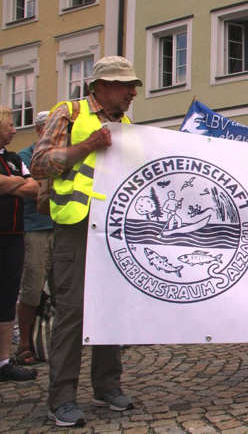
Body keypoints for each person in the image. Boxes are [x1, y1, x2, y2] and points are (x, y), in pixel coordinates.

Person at [31, 56, 141, 427]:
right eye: (126, 85)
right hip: (76, 226)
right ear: (102, 86)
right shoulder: (70, 112)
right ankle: (61, 397)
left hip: (113, 230)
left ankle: (106, 385)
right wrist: (88, 146)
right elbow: (40, 163)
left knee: (111, 308)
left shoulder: (126, 124)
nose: (132, 92)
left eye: (133, 85)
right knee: (73, 312)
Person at [0, 106, 39, 382]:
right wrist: (18, 184)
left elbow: (34, 188)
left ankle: (3, 361)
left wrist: (7, 183)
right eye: (9, 124)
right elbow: (23, 186)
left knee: (6, 299)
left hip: (13, 236)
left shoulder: (14, 158)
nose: (15, 129)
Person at [14, 111, 54, 366]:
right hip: (35, 230)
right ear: (40, 131)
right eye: (52, 128)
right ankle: (24, 344)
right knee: (31, 289)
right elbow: (28, 191)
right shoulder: (25, 157)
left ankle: (52, 341)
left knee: (62, 289)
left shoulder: (59, 155)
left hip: (59, 227)